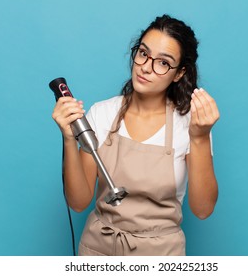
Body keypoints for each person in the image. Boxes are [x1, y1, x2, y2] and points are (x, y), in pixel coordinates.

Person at [52, 14, 220, 256]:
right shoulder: (102, 113)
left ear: (179, 73)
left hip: (160, 254)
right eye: (143, 53)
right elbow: (78, 203)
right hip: (97, 249)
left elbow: (203, 209)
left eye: (163, 63)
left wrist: (201, 138)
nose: (146, 67)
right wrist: (69, 138)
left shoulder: (190, 126)